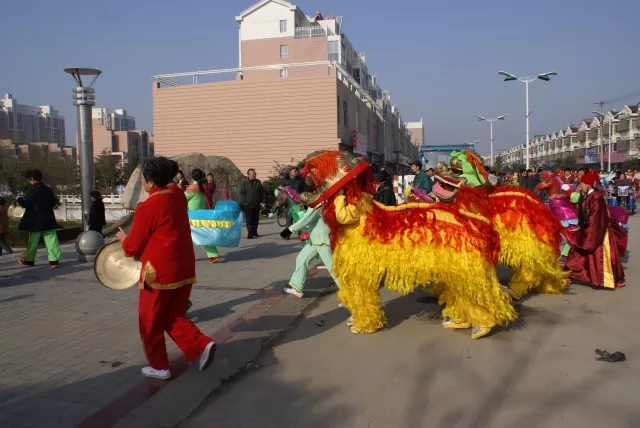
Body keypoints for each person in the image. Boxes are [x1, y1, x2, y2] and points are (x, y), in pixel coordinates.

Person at [115, 157, 216, 380]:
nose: (142, 183)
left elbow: (132, 247)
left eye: (143, 179)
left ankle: (159, 366)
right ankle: (200, 347)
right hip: (184, 267)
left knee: (149, 320)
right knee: (171, 315)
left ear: (150, 182)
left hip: (157, 272)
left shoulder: (148, 207)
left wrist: (123, 238)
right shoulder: (177, 194)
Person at [565, 170, 625, 289]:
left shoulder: (596, 197)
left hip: (596, 231)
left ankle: (569, 276)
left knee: (592, 257)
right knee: (580, 255)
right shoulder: (589, 195)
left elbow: (595, 218)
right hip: (590, 229)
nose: (580, 186)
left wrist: (585, 232)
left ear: (588, 184)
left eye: (582, 183)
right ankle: (568, 276)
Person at [280, 201, 338, 298]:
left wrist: (289, 230)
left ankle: (352, 296)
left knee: (334, 268)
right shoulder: (324, 199)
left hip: (321, 239)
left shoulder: (320, 201)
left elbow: (306, 219)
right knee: (302, 258)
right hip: (316, 238)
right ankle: (297, 286)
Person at [17, 170, 61, 268]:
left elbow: (26, 204)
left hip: (35, 221)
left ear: (32, 179)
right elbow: (53, 203)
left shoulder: (31, 190)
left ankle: (29, 260)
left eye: (29, 180)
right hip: (48, 219)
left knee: (33, 242)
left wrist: (19, 199)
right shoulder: (48, 189)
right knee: (52, 240)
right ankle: (53, 261)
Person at [186, 169, 220, 264]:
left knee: (187, 237)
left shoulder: (191, 188)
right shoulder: (202, 187)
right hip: (202, 214)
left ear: (192, 177)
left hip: (192, 216)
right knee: (204, 235)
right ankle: (213, 255)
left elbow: (183, 198)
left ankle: (186, 256)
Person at [239, 168, 266, 239]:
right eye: (253, 174)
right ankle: (250, 233)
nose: (255, 175)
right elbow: (241, 193)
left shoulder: (258, 182)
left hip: (256, 204)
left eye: (255, 173)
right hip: (248, 204)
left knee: (255, 219)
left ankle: (255, 232)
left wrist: (263, 201)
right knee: (249, 219)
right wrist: (245, 201)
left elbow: (262, 193)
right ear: (248, 175)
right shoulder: (244, 182)